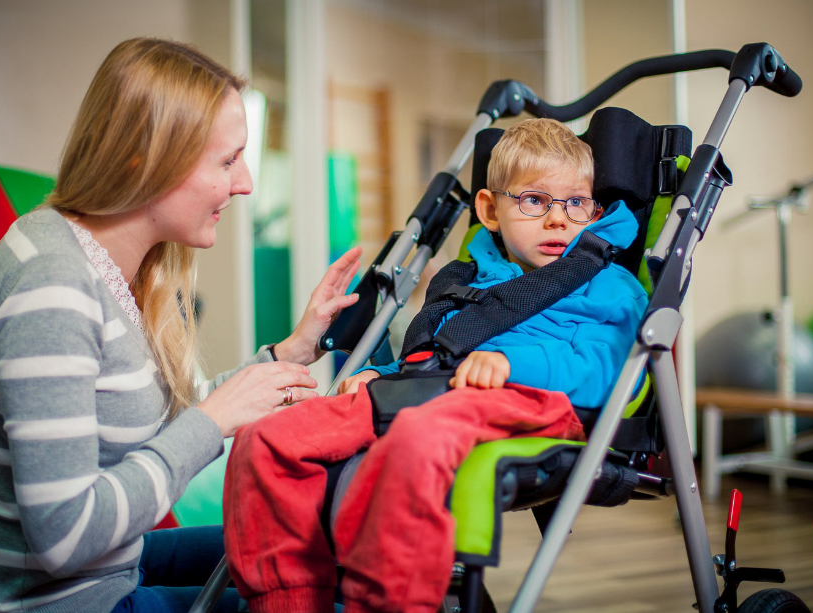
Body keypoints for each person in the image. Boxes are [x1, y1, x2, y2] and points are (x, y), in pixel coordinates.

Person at [0, 38, 362, 613]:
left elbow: (148, 430)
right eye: (227, 160)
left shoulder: (104, 262)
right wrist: (212, 423)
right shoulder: (52, 287)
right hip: (53, 600)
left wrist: (286, 354)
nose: (245, 183)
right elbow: (65, 537)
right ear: (146, 159)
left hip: (107, 568)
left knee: (329, 552)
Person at [222, 118, 650, 613]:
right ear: (489, 210)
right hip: (440, 390)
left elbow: (606, 368)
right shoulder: (464, 280)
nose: (559, 220)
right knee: (269, 438)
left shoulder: (610, 286)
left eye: (576, 203)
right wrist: (385, 377)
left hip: (537, 401)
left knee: (415, 441)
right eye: (533, 200)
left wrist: (512, 362)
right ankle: (288, 603)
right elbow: (432, 354)